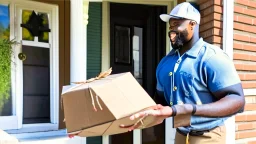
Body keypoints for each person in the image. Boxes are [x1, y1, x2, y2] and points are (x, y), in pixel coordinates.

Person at [120, 2, 245, 144]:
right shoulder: (165, 63)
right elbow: (161, 101)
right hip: (181, 135)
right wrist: (136, 113)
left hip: (208, 136)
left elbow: (238, 101)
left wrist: (187, 109)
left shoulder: (212, 57)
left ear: (192, 24)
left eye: (177, 24)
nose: (171, 31)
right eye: (170, 26)